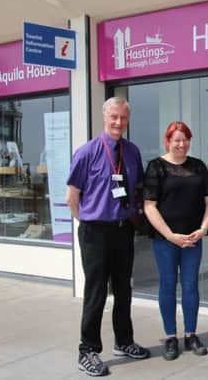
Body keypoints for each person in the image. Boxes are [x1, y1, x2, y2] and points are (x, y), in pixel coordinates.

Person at [66, 96, 150, 377]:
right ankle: (87, 350)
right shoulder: (87, 152)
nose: (118, 123)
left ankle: (124, 341)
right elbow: (72, 197)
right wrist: (89, 222)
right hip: (95, 231)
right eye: (114, 117)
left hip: (123, 230)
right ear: (105, 117)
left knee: (124, 289)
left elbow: (136, 189)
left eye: (123, 118)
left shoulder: (132, 151)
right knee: (96, 291)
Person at [143, 121, 208, 361]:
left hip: (193, 238)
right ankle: (171, 337)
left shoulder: (198, 167)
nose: (181, 144)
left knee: (191, 285)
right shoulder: (156, 167)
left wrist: (203, 229)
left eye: (185, 139)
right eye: (176, 140)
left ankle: (191, 334)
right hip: (166, 240)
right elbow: (149, 206)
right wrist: (169, 235)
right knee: (167, 285)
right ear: (168, 141)